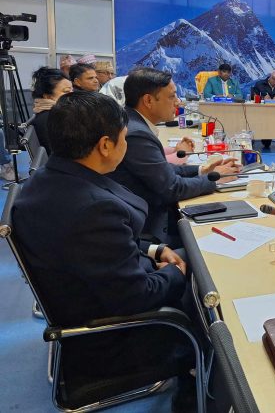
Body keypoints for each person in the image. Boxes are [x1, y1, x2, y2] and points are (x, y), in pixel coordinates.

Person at [12, 91, 199, 411]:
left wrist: (155, 250)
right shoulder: (93, 209)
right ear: (105, 145)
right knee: (207, 290)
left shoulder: (48, 179)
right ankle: (196, 388)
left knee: (189, 253)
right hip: (111, 340)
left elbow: (103, 246)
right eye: (124, 138)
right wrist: (175, 273)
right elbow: (137, 296)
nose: (126, 145)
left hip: (88, 296)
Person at [108, 68, 240, 244]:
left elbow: (163, 168)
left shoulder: (133, 122)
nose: (178, 102)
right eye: (171, 97)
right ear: (148, 100)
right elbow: (173, 189)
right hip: (152, 227)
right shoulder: (137, 134)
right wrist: (214, 178)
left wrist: (202, 170)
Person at [30, 66, 74, 155]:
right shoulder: (53, 118)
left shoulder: (51, 113)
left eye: (72, 89)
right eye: (66, 91)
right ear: (48, 96)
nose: (72, 94)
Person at [252, 68, 275, 150]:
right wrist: (263, 96)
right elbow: (253, 95)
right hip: (259, 111)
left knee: (267, 142)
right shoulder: (260, 84)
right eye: (274, 79)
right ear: (270, 77)